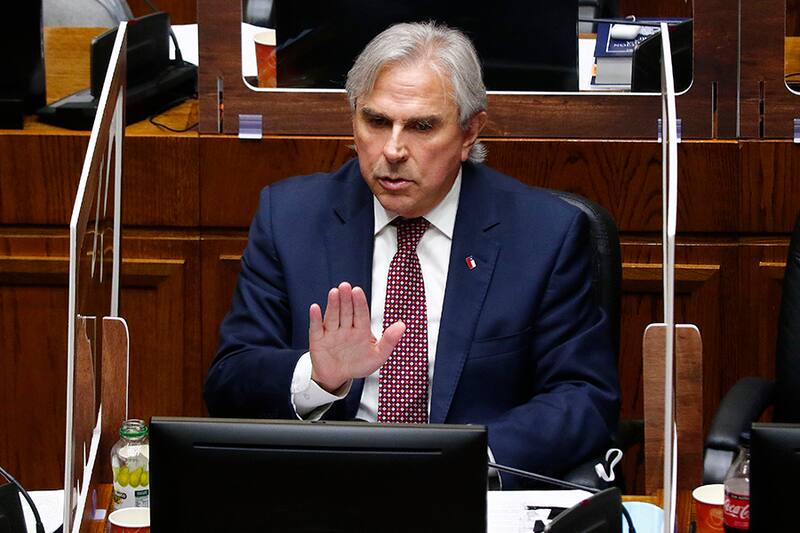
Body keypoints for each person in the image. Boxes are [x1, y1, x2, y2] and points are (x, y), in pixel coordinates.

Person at [204, 21, 619, 488]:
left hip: (470, 490)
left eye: (422, 126)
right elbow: (229, 381)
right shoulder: (290, 217)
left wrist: (471, 460)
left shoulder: (544, 233)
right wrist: (316, 377)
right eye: (377, 122)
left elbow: (583, 396)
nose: (394, 149)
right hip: (326, 486)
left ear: (469, 132)